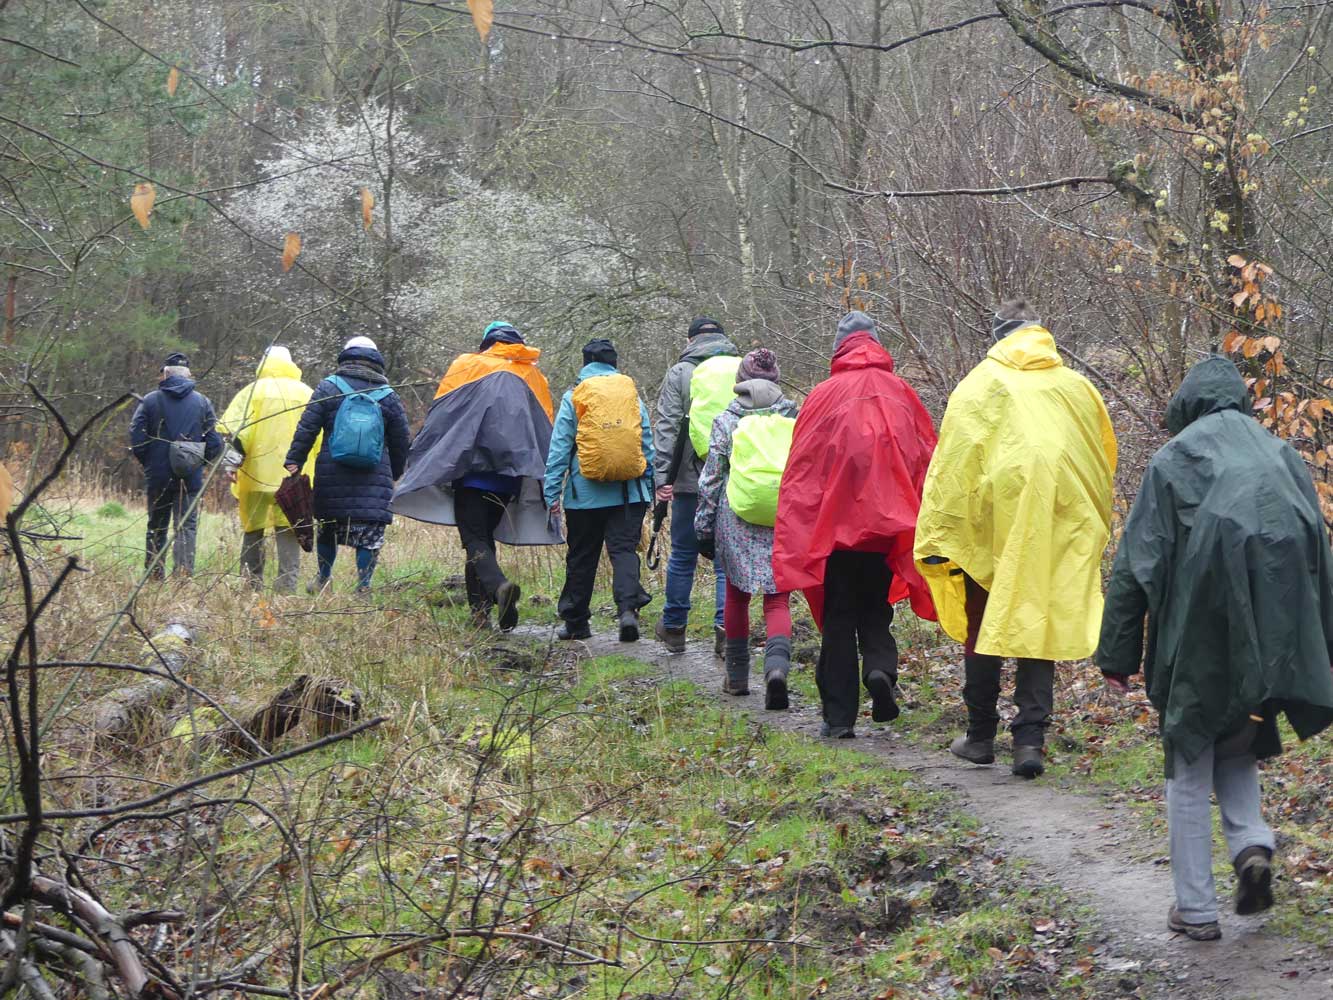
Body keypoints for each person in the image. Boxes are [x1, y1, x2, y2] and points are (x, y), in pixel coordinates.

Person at [1097, 355, 1333, 941]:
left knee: (1189, 756)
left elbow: (1137, 563)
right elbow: (1316, 546)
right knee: (1241, 737)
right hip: (1276, 636)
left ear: (1187, 405)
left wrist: (1117, 654)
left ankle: (1196, 909)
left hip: (1200, 634)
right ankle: (1252, 845)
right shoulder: (1279, 454)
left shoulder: (1174, 460)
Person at [914, 299, 1117, 778]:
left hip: (990, 528)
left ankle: (980, 736)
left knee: (983, 621)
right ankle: (1030, 743)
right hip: (1055, 523)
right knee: (1036, 622)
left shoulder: (981, 384)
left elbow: (953, 464)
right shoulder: (1076, 387)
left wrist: (944, 531)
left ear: (998, 337)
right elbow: (1100, 458)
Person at [772, 312, 938, 739]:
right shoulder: (903, 393)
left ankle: (840, 716)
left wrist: (799, 530)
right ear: (878, 346)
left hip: (837, 531)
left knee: (840, 616)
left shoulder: (823, 396)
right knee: (877, 612)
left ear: (839, 349)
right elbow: (928, 458)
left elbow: (801, 470)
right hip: (890, 529)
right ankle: (881, 671)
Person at [392, 322, 562, 629]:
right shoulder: (532, 375)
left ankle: (497, 589)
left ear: (486, 342)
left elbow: (441, 416)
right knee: (482, 539)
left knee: (474, 538)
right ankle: (481, 614)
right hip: (508, 479)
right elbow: (544, 428)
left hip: (471, 473)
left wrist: (426, 457)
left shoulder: (466, 365)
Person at [695, 348, 799, 706]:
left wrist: (703, 529)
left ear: (740, 380)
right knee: (777, 598)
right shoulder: (792, 415)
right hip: (781, 516)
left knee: (737, 595)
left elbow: (711, 481)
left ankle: (737, 678)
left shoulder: (726, 420)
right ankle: (776, 669)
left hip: (735, 517)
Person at [544, 339, 655, 642]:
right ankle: (628, 610)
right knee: (623, 552)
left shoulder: (575, 396)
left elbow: (559, 449)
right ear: (614, 363)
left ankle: (576, 621)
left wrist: (551, 492)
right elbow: (645, 443)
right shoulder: (631, 397)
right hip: (628, 493)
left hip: (583, 497)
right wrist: (650, 485)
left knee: (582, 556)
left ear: (585, 362)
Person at [285, 336, 409, 594]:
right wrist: (396, 472)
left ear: (345, 357)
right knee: (370, 534)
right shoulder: (389, 396)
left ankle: (323, 579)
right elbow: (401, 441)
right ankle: (363, 587)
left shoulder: (328, 387)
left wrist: (295, 459)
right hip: (375, 475)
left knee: (329, 527)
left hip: (333, 472)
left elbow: (307, 426)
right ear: (377, 362)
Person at [653, 316, 739, 656]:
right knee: (723, 560)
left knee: (684, 553)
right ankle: (724, 629)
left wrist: (663, 478)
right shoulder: (741, 367)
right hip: (734, 478)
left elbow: (668, 427)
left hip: (689, 480)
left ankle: (674, 627)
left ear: (690, 341)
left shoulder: (680, 373)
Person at [218, 346, 315, 593]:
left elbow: (239, 432)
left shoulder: (252, 392)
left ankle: (251, 586)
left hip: (256, 477)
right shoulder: (307, 394)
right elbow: (321, 436)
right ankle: (286, 589)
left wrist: (231, 463)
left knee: (253, 529)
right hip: (293, 480)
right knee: (290, 529)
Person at [130, 352, 223, 579]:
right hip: (189, 476)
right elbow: (215, 442)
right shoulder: (202, 402)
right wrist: (198, 462)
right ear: (188, 375)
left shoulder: (150, 400)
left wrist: (149, 462)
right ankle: (182, 577)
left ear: (165, 373)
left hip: (158, 475)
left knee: (157, 525)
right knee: (186, 527)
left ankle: (154, 575)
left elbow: (136, 436)